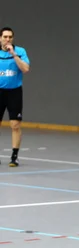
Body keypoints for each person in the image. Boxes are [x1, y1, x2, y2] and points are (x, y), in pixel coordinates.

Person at [0, 27, 30, 167]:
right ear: (0, 38)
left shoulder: (20, 51)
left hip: (14, 92)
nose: (8, 39)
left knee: (15, 124)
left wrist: (14, 55)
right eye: (5, 37)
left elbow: (25, 69)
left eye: (10, 37)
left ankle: (14, 156)